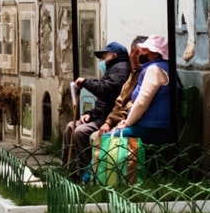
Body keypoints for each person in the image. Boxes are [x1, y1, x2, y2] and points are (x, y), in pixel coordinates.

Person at [65, 41, 132, 177]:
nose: (102, 60)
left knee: (80, 132)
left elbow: (106, 90)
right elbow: (102, 101)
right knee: (70, 127)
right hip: (101, 116)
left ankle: (87, 173)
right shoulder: (112, 68)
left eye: (104, 56)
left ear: (114, 55)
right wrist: (90, 114)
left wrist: (86, 82)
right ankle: (69, 169)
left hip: (109, 118)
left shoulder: (121, 68)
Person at [100, 35, 174, 148]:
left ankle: (98, 167)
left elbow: (142, 102)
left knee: (108, 138)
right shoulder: (163, 67)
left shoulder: (154, 70)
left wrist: (127, 123)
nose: (141, 53)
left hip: (153, 129)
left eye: (145, 50)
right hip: (155, 127)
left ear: (155, 54)